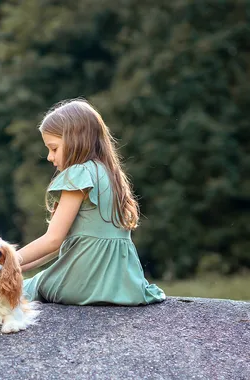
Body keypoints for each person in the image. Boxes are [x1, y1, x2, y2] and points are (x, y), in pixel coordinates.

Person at [19, 99, 166, 305]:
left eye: (53, 148)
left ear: (75, 140)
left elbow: (53, 239)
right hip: (123, 285)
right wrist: (20, 266)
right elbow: (61, 244)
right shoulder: (111, 175)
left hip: (85, 282)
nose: (49, 157)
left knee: (18, 289)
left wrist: (7, 260)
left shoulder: (78, 175)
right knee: (29, 280)